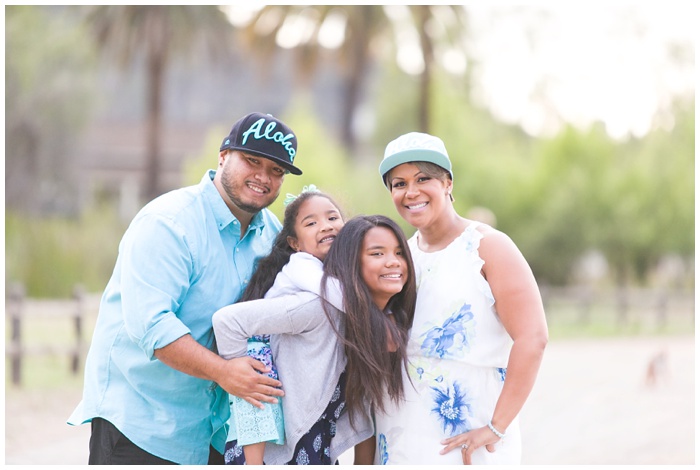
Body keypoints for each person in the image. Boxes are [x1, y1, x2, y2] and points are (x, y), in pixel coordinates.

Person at [67, 112, 304, 465]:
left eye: (275, 171)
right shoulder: (168, 223)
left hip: (218, 433)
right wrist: (225, 373)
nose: (263, 177)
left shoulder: (273, 236)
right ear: (223, 156)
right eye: (252, 161)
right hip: (142, 425)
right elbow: (152, 326)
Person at [374, 132, 549, 465]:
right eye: (398, 184)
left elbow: (533, 338)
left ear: (448, 183)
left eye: (422, 178)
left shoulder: (487, 247)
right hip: (400, 440)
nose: (411, 192)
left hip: (468, 440)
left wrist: (496, 427)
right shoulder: (401, 257)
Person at [212, 213, 417, 465]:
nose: (393, 262)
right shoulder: (318, 308)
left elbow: (365, 412)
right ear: (352, 262)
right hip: (273, 455)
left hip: (317, 452)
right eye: (377, 253)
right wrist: (237, 374)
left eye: (399, 253)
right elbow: (227, 321)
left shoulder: (388, 320)